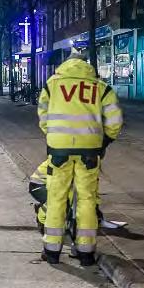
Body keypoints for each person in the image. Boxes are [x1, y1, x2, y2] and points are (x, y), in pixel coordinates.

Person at [37, 45, 123, 266]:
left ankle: (52, 250)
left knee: (56, 196)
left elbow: (43, 115)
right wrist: (104, 141)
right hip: (89, 151)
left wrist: (54, 136)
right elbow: (114, 122)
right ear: (88, 66)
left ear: (65, 63)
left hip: (58, 150)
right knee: (86, 198)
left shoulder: (53, 84)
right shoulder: (101, 87)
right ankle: (85, 252)